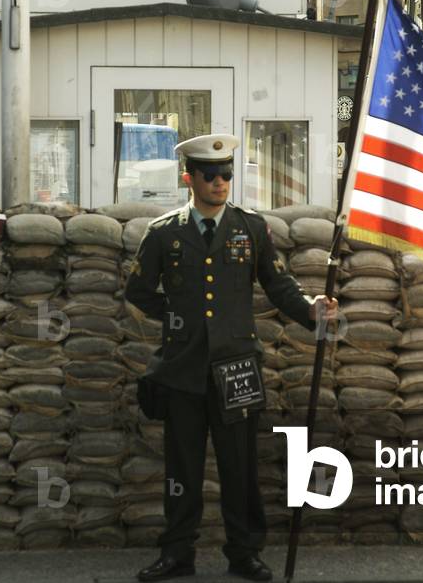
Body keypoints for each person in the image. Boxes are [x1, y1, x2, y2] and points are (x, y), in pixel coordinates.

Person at [125, 134, 338, 582]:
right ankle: (177, 553)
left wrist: (313, 311)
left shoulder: (250, 228)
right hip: (182, 370)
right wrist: (177, 317)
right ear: (190, 178)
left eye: (226, 174)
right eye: (210, 175)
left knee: (239, 469)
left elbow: (278, 286)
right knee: (181, 469)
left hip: (236, 367)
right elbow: (139, 292)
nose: (220, 182)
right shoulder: (164, 233)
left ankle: (245, 553)